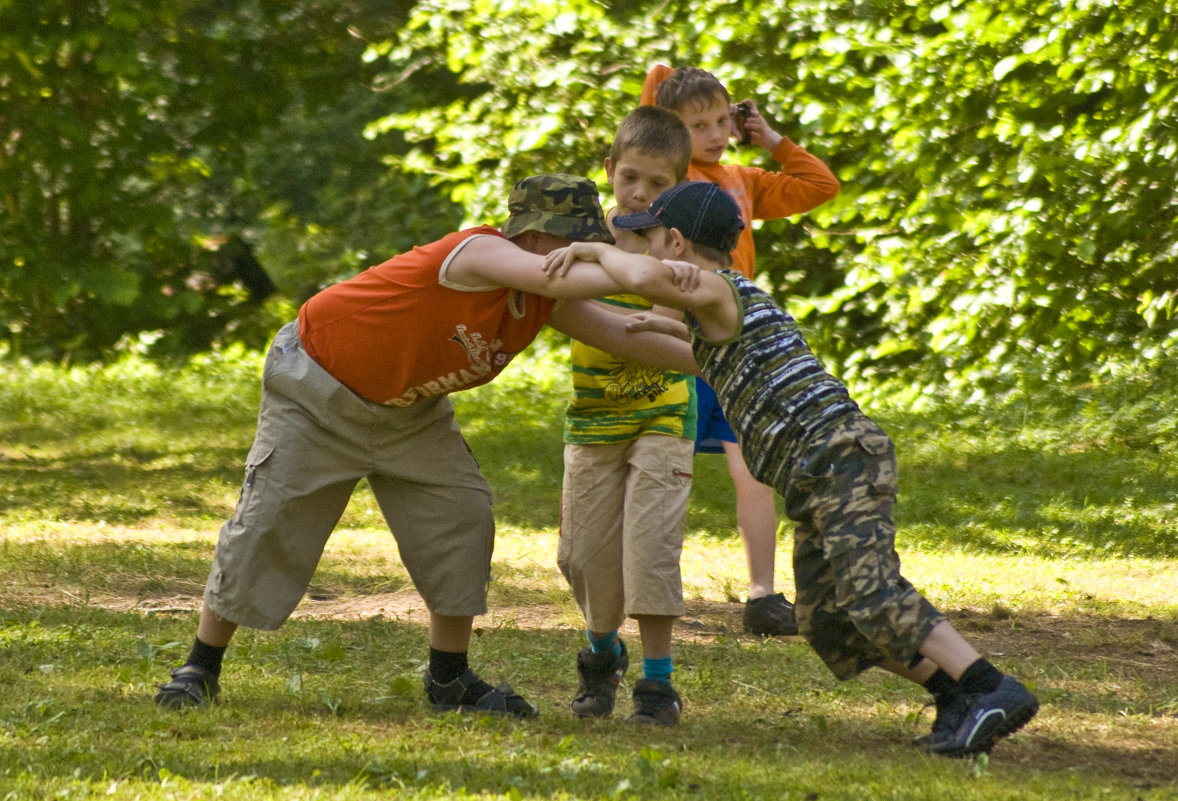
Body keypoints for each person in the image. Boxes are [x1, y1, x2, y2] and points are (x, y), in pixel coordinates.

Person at [153, 173, 699, 718]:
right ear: (533, 237)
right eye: (573, 244)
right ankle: (200, 666)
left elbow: (630, 333)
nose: (583, 258)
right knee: (269, 521)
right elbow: (555, 279)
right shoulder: (478, 252)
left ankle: (449, 679)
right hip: (317, 391)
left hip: (409, 415)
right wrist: (658, 271)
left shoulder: (539, 297)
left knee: (461, 514)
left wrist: (730, 360)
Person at [542, 181, 1039, 756]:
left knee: (871, 591)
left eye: (650, 239)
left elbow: (641, 280)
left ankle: (988, 686)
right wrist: (645, 325)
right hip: (814, 477)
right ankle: (949, 693)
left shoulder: (721, 289)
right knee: (828, 620)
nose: (647, 252)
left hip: (839, 453)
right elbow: (667, 341)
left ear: (676, 242)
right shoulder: (719, 319)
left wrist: (587, 250)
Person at [642, 64, 842, 637]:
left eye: (721, 120)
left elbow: (820, 187)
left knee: (751, 465)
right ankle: (651, 585)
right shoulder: (669, 179)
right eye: (696, 123)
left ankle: (762, 595)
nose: (712, 132)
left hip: (730, 345)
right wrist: (656, 93)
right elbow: (634, 153)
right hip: (677, 339)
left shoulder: (741, 179)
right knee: (663, 462)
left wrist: (772, 140)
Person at [557, 106, 695, 726]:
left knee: (651, 549)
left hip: (663, 416)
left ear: (680, 188)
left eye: (658, 184)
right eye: (631, 177)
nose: (640, 193)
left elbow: (705, 314)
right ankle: (602, 650)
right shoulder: (580, 235)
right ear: (611, 170)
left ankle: (657, 683)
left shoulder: (676, 242)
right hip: (592, 419)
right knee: (582, 556)